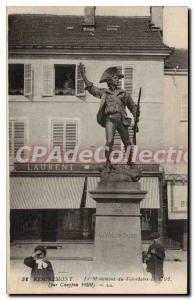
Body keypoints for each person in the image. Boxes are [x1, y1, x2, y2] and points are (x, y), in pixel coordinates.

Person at [79, 63, 139, 168]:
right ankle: (108, 162)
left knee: (127, 143)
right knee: (109, 142)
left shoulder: (124, 93)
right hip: (109, 120)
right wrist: (83, 75)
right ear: (109, 80)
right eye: (116, 78)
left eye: (118, 78)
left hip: (122, 120)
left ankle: (130, 162)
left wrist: (136, 113)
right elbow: (91, 87)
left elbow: (133, 106)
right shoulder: (104, 93)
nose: (118, 80)